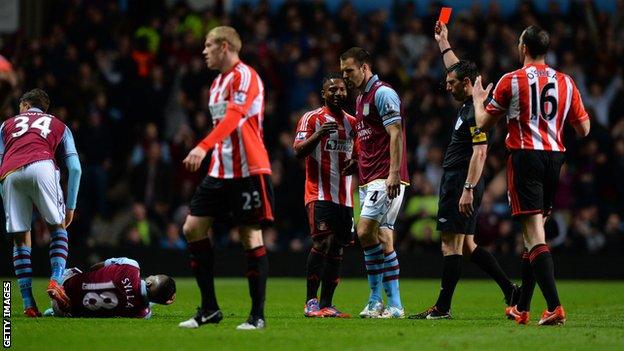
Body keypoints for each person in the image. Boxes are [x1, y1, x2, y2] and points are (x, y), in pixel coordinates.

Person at [472, 25, 591, 326]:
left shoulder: (511, 80)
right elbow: (585, 129)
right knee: (532, 232)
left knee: (534, 234)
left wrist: (477, 99)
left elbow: (484, 124)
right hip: (555, 159)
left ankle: (554, 307)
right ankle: (522, 307)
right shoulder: (565, 82)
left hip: (526, 158)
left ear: (523, 47)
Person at [410, 21, 519, 320]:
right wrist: (443, 42)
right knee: (468, 246)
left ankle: (442, 308)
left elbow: (480, 152)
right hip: (461, 179)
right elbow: (457, 68)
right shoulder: (473, 98)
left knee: (451, 244)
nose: (446, 86)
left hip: (461, 179)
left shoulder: (476, 112)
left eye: (451, 83)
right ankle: (511, 291)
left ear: (467, 84)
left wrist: (468, 189)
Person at [178, 26, 273, 330]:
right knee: (192, 228)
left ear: (223, 46)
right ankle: (209, 309)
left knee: (250, 235)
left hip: (248, 170)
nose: (203, 52)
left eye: (207, 46)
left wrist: (202, 146)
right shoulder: (217, 84)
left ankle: (257, 316)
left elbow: (234, 118)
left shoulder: (245, 76)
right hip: (220, 169)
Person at [340, 47, 409, 318]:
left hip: (386, 177)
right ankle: (390, 304)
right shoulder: (360, 99)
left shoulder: (383, 93)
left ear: (364, 67)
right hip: (369, 177)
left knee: (365, 230)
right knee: (382, 236)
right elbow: (369, 136)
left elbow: (395, 133)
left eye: (349, 70)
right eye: (343, 71)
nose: (345, 76)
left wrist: (393, 172)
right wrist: (356, 159)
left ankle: (378, 299)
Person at [0, 89, 82, 317]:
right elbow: (75, 168)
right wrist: (71, 206)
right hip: (42, 165)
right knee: (58, 227)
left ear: (25, 105)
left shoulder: (6, 125)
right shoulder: (59, 126)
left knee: (20, 237)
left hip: (10, 173)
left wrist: (5, 195)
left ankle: (28, 303)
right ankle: (56, 279)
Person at [293, 73, 357, 318]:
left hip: (345, 197)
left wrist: (356, 163)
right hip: (318, 192)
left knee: (338, 248)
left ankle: (328, 304)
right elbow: (298, 151)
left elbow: (360, 155)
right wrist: (318, 135)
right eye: (332, 90)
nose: (338, 93)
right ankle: (311, 301)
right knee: (322, 242)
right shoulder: (312, 118)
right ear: (324, 94)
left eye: (341, 89)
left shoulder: (353, 122)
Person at [43, 257, 176, 318]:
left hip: (65, 285)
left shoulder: (131, 266)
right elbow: (147, 302)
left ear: (149, 283)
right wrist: (163, 299)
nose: (153, 275)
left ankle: (58, 289)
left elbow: (95, 267)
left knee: (78, 273)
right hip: (68, 312)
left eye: (156, 276)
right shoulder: (141, 313)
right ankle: (55, 310)